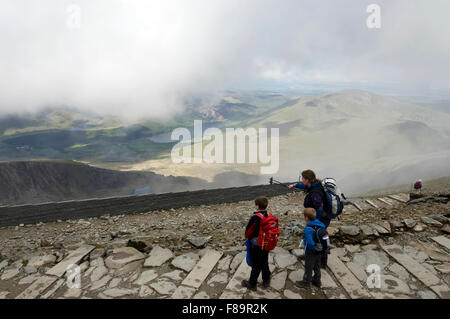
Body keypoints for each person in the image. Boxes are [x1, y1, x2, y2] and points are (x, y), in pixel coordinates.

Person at [289, 169, 330, 267]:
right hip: (317, 218)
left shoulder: (315, 192)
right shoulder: (313, 184)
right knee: (314, 239)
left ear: (307, 179)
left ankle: (322, 262)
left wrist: (315, 223)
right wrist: (294, 185)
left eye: (303, 178)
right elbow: (303, 185)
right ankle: (310, 255)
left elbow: (319, 209)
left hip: (320, 219)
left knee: (319, 239)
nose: (302, 180)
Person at [241, 196, 271, 291]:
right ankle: (266, 280)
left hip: (257, 245)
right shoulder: (269, 215)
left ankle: (252, 284)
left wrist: (248, 237)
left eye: (255, 205)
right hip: (266, 243)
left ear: (257, 206)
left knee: (256, 264)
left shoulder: (255, 217)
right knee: (264, 261)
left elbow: (248, 232)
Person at [295, 207, 326, 288]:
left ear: (306, 218)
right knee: (317, 266)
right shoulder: (320, 224)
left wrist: (312, 250)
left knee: (308, 267)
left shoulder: (308, 229)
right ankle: (317, 280)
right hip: (320, 249)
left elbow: (310, 242)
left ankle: (306, 282)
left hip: (311, 251)